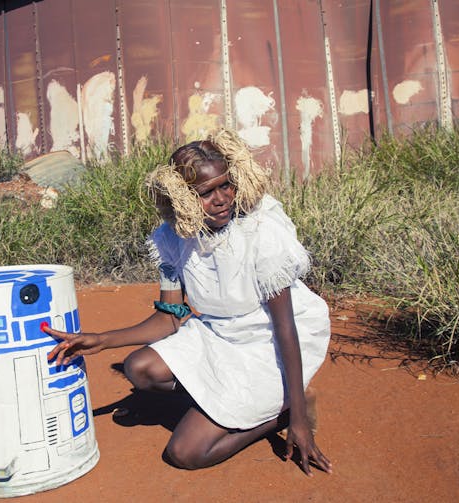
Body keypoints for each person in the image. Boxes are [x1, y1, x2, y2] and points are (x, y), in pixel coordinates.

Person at [44, 129, 332, 475]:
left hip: (265, 344)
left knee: (185, 453)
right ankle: (227, 403)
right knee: (139, 369)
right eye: (206, 192)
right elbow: (168, 319)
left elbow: (285, 328)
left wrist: (298, 419)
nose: (222, 198)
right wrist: (101, 340)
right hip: (219, 334)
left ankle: (279, 415)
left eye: (226, 185)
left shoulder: (260, 233)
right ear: (182, 197)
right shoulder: (172, 238)